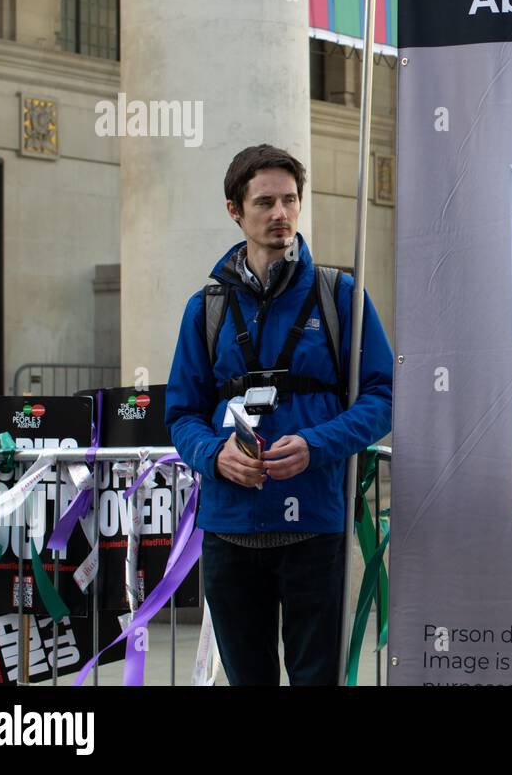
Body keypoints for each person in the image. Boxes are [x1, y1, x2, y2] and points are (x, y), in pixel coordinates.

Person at [165, 144, 393, 685]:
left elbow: (385, 395)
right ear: (234, 210)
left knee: (317, 677)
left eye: (290, 200)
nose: (280, 214)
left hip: (315, 523)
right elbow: (180, 414)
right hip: (229, 526)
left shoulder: (341, 296)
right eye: (264, 202)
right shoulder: (207, 307)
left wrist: (320, 443)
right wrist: (214, 456)